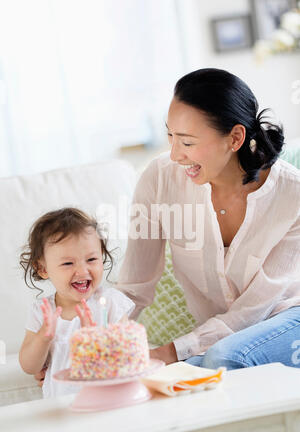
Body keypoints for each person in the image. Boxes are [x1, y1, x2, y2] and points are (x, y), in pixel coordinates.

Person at [116, 68, 300, 370]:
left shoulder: (292, 195)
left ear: (235, 138)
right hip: (220, 340)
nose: (175, 154)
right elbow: (133, 288)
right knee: (185, 369)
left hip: (287, 319)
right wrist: (79, 350)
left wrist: (170, 352)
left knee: (221, 359)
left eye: (187, 143)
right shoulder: (159, 179)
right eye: (170, 137)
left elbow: (257, 308)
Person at [19, 207, 135, 397]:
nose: (82, 271)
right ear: (43, 268)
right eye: (68, 263)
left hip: (106, 400)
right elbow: (29, 366)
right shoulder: (43, 312)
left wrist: (95, 339)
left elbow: (128, 356)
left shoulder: (110, 303)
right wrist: (43, 338)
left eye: (91, 259)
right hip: (60, 409)